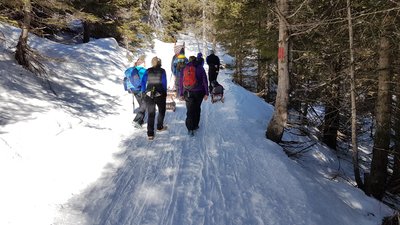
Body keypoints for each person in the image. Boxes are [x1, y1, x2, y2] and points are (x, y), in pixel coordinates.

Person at [179, 56, 209, 136]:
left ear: (188, 60)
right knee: (197, 108)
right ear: (196, 60)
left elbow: (181, 81)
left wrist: (181, 93)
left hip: (188, 92)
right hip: (199, 92)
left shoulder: (184, 68)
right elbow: (205, 81)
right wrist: (206, 93)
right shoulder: (200, 68)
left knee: (190, 110)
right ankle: (195, 125)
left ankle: (190, 128)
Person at [141, 57, 168, 140]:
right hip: (160, 94)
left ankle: (150, 134)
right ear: (160, 63)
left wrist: (143, 91)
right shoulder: (162, 71)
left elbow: (143, 82)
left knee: (151, 113)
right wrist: (165, 92)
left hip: (149, 94)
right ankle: (159, 127)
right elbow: (164, 82)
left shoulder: (147, 70)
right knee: (161, 111)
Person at [131, 56, 147, 128]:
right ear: (142, 63)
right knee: (144, 105)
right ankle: (136, 120)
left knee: (142, 105)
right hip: (141, 90)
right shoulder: (143, 70)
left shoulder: (133, 69)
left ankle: (140, 122)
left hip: (134, 90)